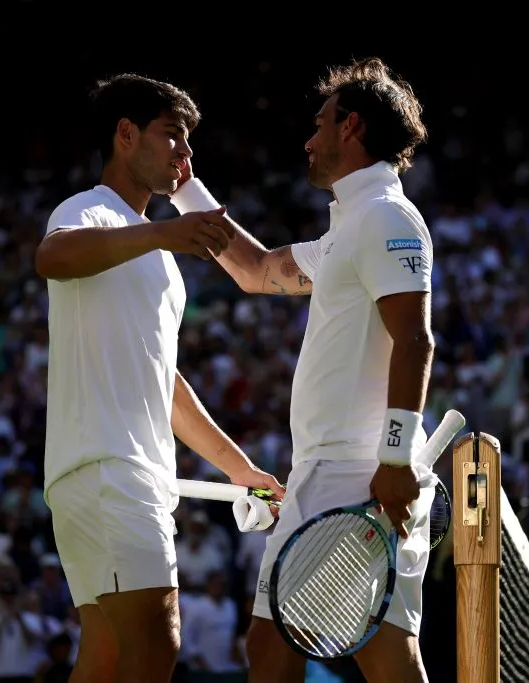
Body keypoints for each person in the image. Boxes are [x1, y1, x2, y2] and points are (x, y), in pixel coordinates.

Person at [170, 57, 434, 682]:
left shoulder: (389, 219)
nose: (308, 138)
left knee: (352, 652)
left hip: (361, 472)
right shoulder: (349, 226)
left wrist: (395, 461)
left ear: (353, 128)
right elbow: (257, 270)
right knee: (291, 650)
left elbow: (415, 342)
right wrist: (183, 189)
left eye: (320, 122)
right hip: (328, 471)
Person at [33, 73, 284, 683]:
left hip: (109, 474)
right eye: (172, 136)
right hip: (108, 469)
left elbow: (164, 384)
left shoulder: (165, 265)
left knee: (108, 655)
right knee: (157, 638)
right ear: (125, 135)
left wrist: (238, 468)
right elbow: (52, 257)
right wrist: (161, 233)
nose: (185, 156)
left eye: (188, 142)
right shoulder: (88, 210)